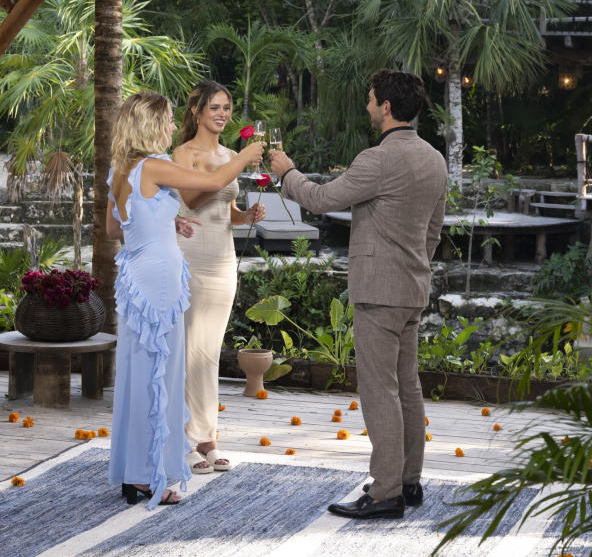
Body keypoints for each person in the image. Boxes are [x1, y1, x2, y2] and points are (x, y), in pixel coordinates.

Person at [270, 69, 447, 520]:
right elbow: (433, 231)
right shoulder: (433, 159)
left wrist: (287, 173)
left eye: (371, 100)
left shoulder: (378, 159)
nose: (368, 106)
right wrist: (415, 268)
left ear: (386, 107)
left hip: (379, 291)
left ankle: (385, 491)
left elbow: (322, 199)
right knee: (406, 385)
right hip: (412, 287)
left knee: (378, 389)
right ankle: (408, 482)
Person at [106, 91, 265, 508]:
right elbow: (213, 183)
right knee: (161, 375)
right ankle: (149, 477)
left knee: (140, 373)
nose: (172, 127)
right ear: (149, 124)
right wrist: (247, 154)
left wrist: (163, 218)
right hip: (160, 281)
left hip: (135, 278)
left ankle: (134, 473)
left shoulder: (121, 170)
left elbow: (113, 227)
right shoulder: (154, 165)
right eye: (167, 120)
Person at [172, 81, 266, 475]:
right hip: (190, 257)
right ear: (196, 111)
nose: (223, 114)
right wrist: (241, 161)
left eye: (226, 107)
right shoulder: (184, 153)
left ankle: (208, 436)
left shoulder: (229, 154)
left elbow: (225, 207)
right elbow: (192, 199)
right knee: (188, 350)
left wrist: (245, 217)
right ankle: (183, 439)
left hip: (223, 260)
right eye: (215, 107)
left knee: (209, 352)